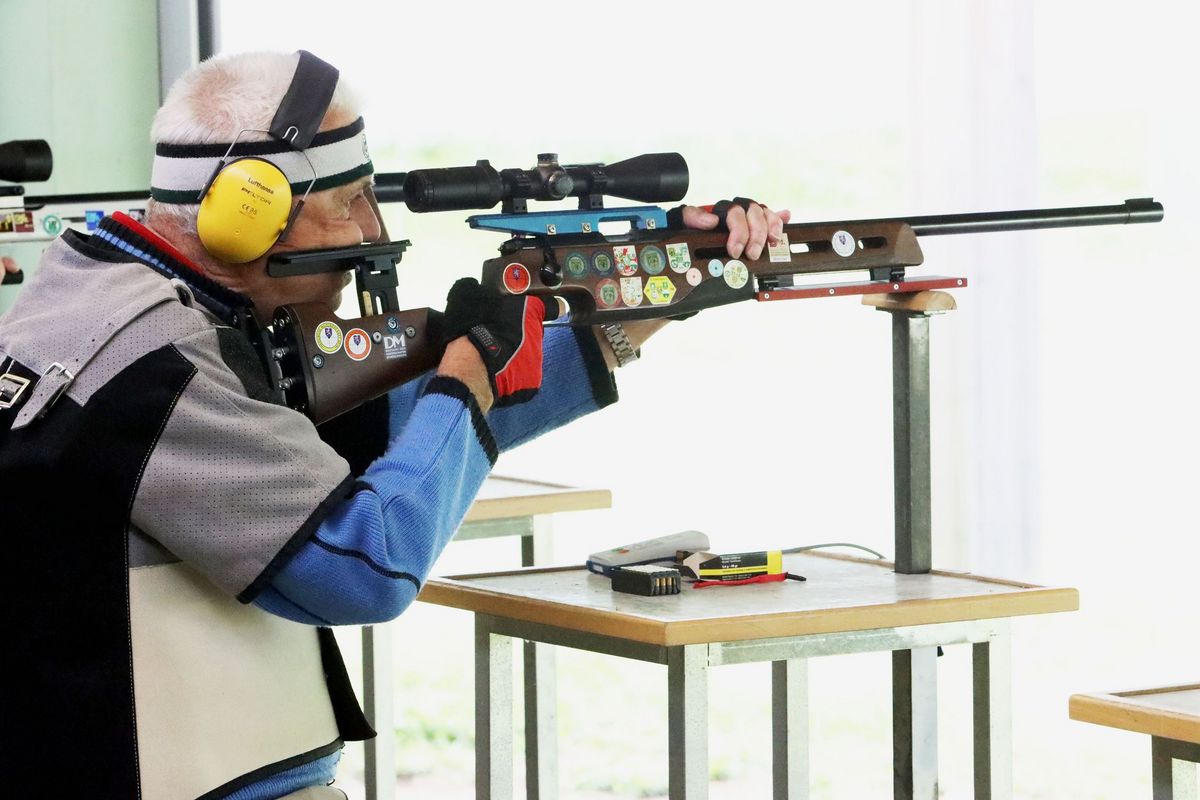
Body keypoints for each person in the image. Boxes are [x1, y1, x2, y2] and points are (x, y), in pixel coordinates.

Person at [0, 51, 786, 799]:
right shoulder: (153, 360)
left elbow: (386, 430)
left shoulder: (128, 298)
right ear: (248, 211)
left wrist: (667, 280)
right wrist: (469, 373)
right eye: (350, 202)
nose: (372, 230)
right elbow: (363, 565)